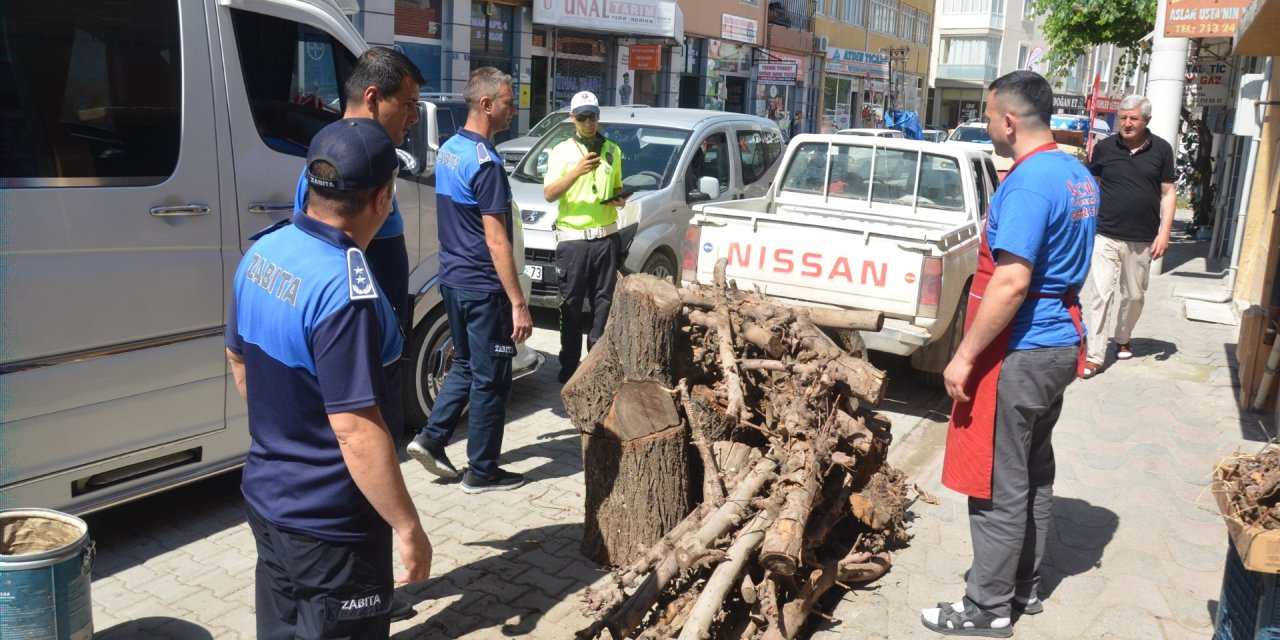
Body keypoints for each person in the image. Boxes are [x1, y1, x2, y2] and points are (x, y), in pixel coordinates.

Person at [227, 118, 433, 639]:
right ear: (383, 200)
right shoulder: (346, 293)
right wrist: (408, 527)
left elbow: (238, 360)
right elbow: (355, 430)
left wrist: (287, 438)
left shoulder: (261, 253)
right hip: (333, 528)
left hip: (269, 500)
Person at [920, 70, 1097, 637]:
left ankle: (986, 608)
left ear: (1009, 121)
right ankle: (1023, 587)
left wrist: (964, 356)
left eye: (990, 114)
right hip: (1061, 344)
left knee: (996, 480)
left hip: (1022, 349)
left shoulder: (1026, 184)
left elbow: (1011, 282)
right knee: (1034, 471)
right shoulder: (1076, 172)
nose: (989, 124)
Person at [406, 67, 532, 493]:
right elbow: (498, 243)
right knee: (492, 375)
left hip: (453, 280)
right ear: (485, 104)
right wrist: (517, 301)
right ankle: (482, 470)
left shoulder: (451, 149)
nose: (513, 110)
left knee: (464, 362)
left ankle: (431, 438)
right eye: (508, 102)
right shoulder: (487, 164)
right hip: (483, 287)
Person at [293, 47, 425, 335]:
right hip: (358, 340)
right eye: (409, 103)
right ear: (373, 98)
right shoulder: (333, 168)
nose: (415, 117)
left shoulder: (353, 160)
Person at [1080, 95, 1176, 378]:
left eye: (1133, 118)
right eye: (1123, 118)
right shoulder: (1105, 148)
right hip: (1105, 233)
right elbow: (1090, 186)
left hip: (1143, 237)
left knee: (1134, 296)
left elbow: (1168, 193)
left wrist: (1164, 233)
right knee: (1100, 295)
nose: (1127, 123)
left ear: (1146, 120)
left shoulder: (1162, 149)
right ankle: (1095, 355)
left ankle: (1122, 336)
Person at [542, 90, 629, 383]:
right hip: (573, 240)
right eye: (582, 117)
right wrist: (576, 172)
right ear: (572, 119)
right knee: (571, 304)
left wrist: (620, 199)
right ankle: (568, 367)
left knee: (603, 303)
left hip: (606, 237)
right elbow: (549, 194)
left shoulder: (612, 150)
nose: (589, 122)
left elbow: (617, 186)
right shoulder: (560, 151)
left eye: (593, 116)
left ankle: (597, 364)